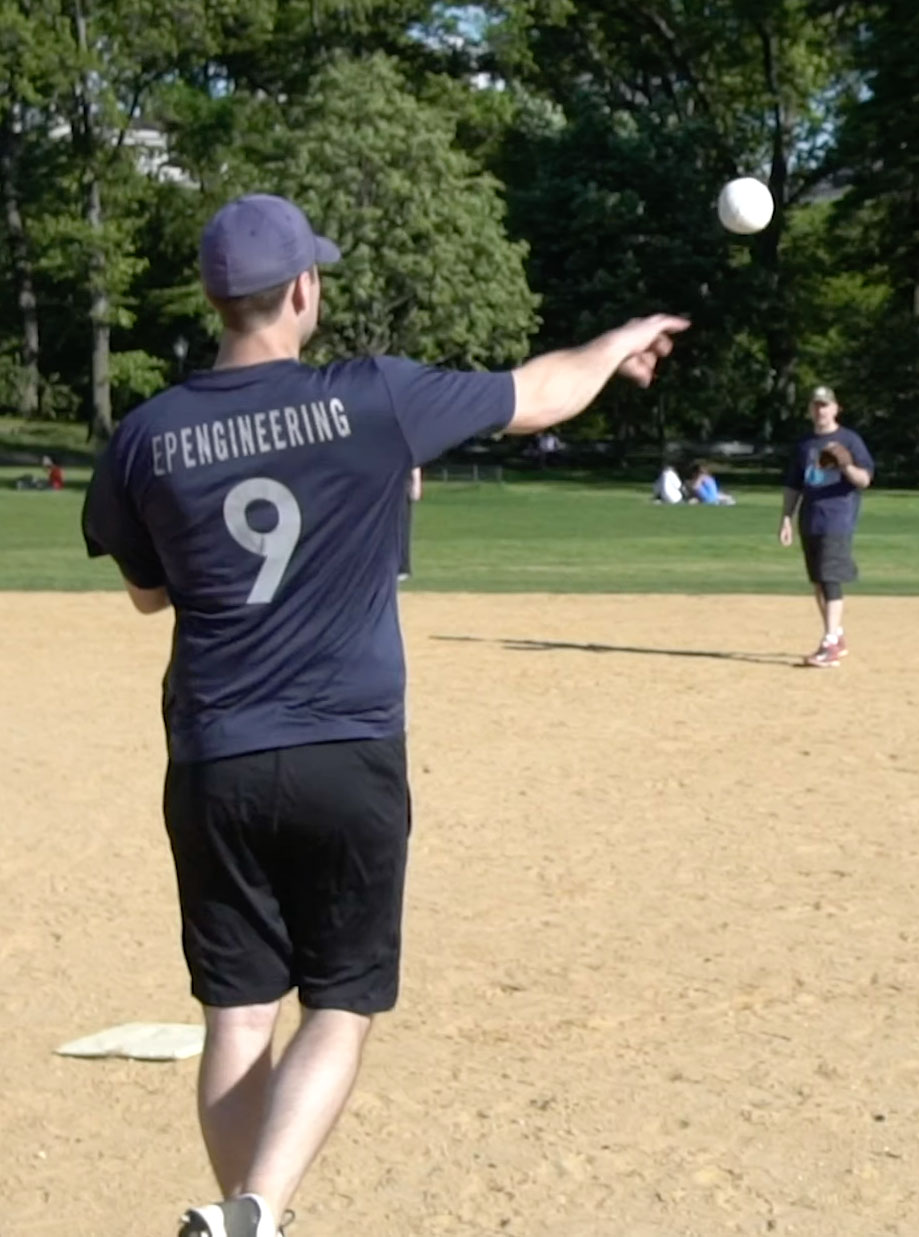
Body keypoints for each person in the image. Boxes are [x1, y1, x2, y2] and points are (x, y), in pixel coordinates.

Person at [79, 192, 688, 1237]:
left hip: (218, 754)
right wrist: (617, 340)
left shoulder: (144, 436)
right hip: (347, 751)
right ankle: (259, 1209)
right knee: (342, 1001)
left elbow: (148, 594)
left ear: (217, 299)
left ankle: (244, 1220)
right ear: (303, 290)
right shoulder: (373, 400)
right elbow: (540, 394)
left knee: (237, 1013)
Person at [778, 385, 875, 668]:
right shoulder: (805, 444)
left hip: (837, 518)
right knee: (819, 581)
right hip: (810, 519)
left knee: (830, 578)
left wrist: (846, 466)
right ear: (810, 409)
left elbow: (865, 480)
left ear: (835, 408)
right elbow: (793, 485)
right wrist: (786, 517)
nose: (820, 410)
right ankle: (837, 637)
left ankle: (830, 642)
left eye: (825, 405)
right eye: (816, 405)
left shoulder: (849, 440)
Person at [397, 466, 422, 580]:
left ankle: (402, 567)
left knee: (402, 528)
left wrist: (416, 485)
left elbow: (414, 462)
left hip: (401, 486)